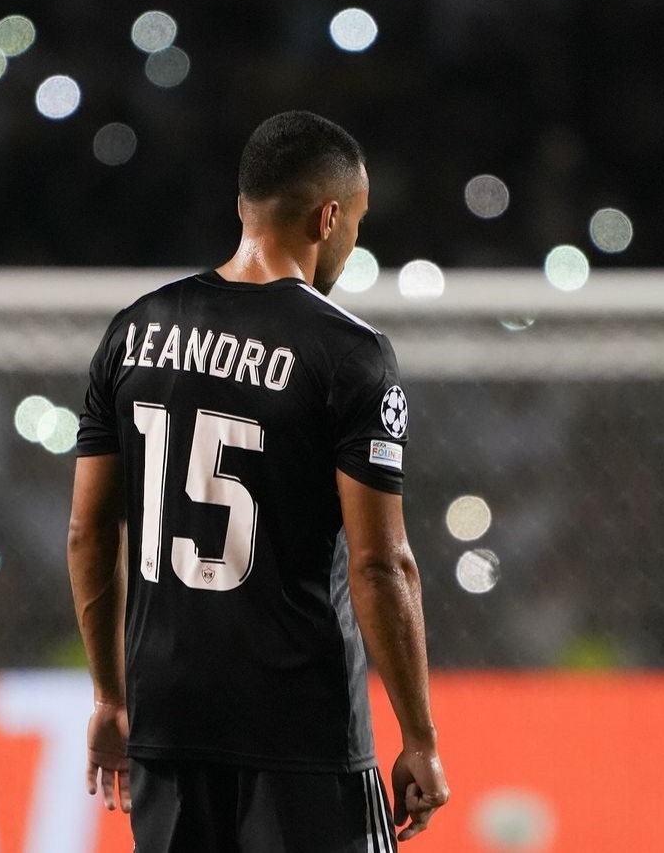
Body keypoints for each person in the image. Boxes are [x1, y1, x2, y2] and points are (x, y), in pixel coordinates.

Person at [69, 110, 449, 851]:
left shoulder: (135, 329)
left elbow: (89, 531)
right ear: (328, 217)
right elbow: (381, 564)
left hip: (167, 723)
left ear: (245, 205)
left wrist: (110, 697)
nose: (353, 240)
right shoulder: (349, 353)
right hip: (300, 733)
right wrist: (420, 737)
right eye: (357, 222)